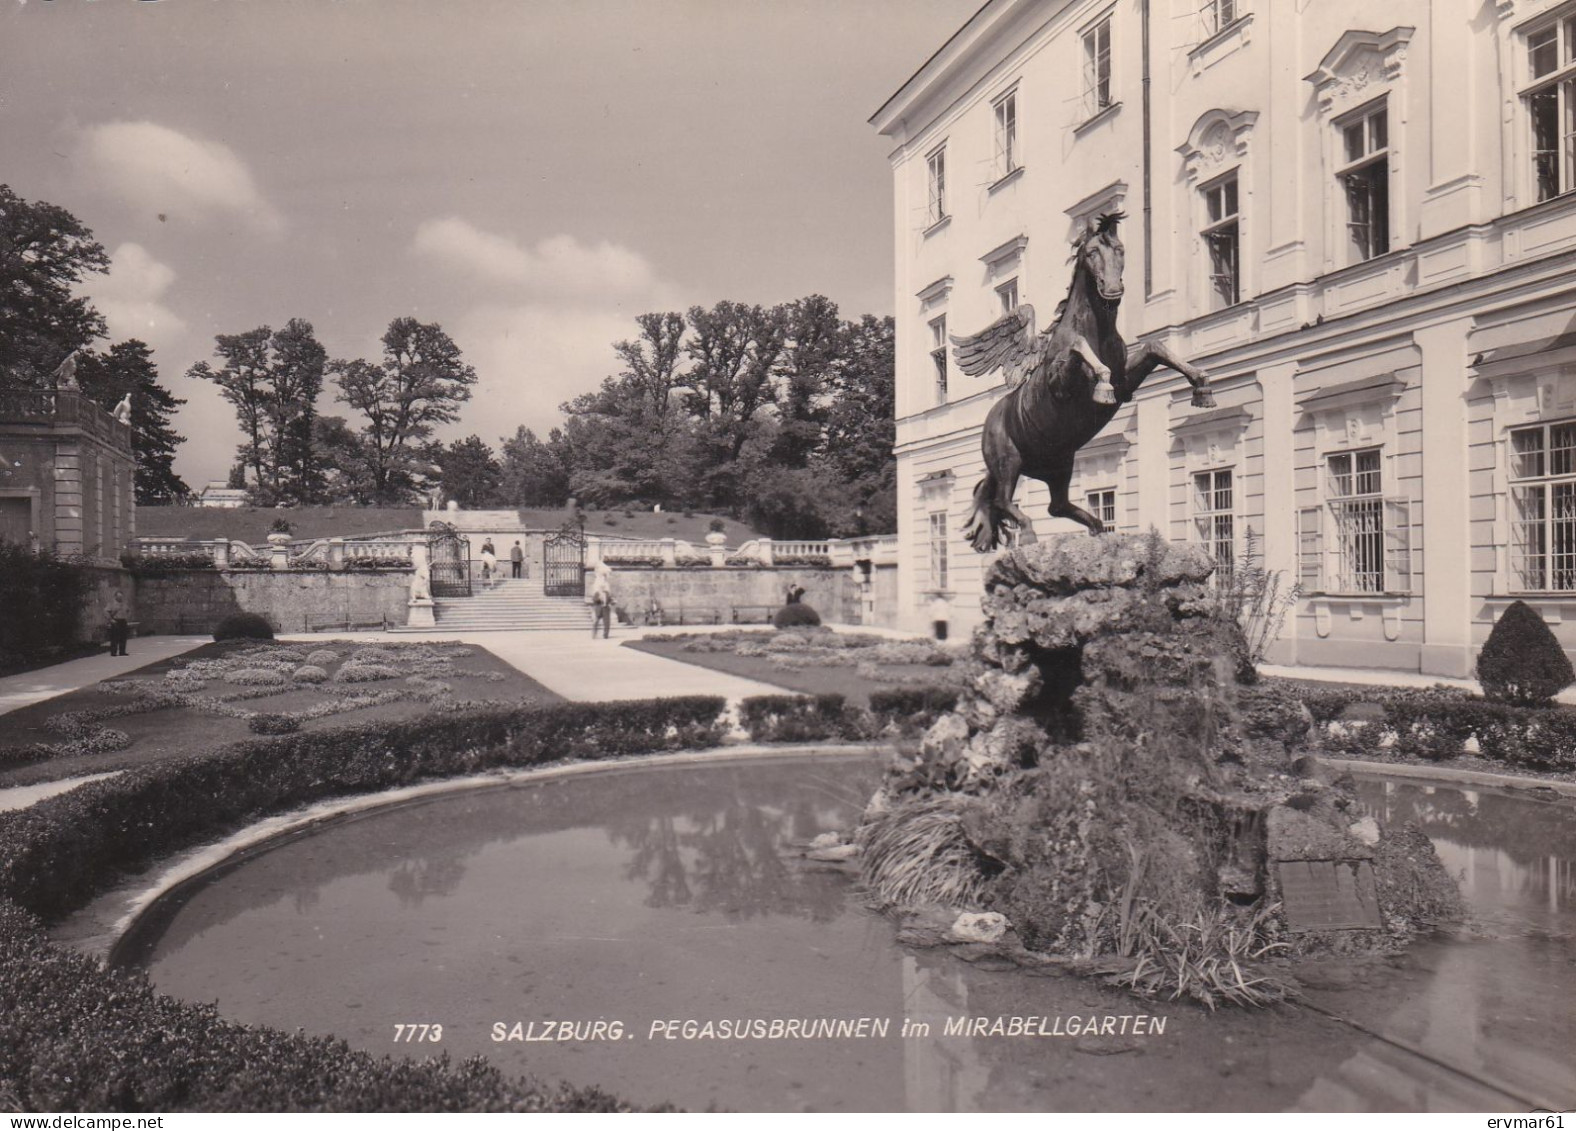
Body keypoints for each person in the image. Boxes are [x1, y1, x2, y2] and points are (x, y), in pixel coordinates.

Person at [590, 570, 613, 639]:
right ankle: (594, 634)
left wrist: (611, 602)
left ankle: (605, 635)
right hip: (599, 608)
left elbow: (610, 599)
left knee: (607, 623)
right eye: (601, 586)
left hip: (606, 608)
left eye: (603, 586)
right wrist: (599, 599)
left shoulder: (607, 593)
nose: (603, 587)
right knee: (596, 622)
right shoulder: (597, 593)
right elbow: (594, 600)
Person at [107, 591, 130, 657]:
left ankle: (122, 651)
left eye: (121, 596)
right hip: (116, 621)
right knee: (115, 637)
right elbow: (106, 612)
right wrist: (111, 619)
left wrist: (127, 617)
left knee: (123, 637)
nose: (120, 598)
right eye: (119, 596)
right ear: (115, 597)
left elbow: (128, 610)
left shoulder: (124, 603)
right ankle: (113, 652)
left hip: (123, 620)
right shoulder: (111, 604)